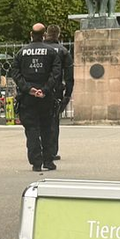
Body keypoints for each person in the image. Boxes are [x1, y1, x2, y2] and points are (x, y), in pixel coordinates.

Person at [14, 22, 63, 172]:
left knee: (32, 130)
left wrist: (29, 89)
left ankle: (36, 162)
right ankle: (48, 161)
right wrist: (45, 90)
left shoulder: (21, 53)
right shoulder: (51, 52)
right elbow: (56, 74)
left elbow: (16, 74)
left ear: (31, 35)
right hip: (46, 98)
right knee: (47, 129)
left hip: (27, 98)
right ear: (43, 35)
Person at [45, 24, 73, 162]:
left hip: (37, 89)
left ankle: (39, 148)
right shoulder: (63, 51)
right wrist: (68, 95)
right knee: (53, 121)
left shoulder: (38, 48)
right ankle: (51, 150)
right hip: (55, 90)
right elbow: (69, 76)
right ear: (58, 35)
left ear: (46, 34)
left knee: (38, 120)